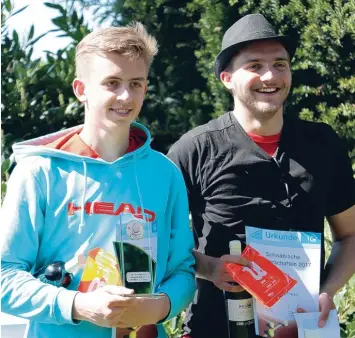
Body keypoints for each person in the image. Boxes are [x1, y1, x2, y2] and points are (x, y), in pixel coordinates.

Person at [1, 23, 196, 338]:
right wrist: (78, 305)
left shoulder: (165, 173)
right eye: (112, 82)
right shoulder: (39, 171)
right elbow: (4, 277)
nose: (125, 96)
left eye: (135, 83)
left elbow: (183, 272)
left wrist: (161, 306)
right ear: (81, 90)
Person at [168, 13, 355, 338]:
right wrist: (209, 268)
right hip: (214, 329)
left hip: (303, 327)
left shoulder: (322, 144)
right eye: (254, 65)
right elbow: (161, 239)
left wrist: (327, 291)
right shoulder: (195, 149)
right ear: (226, 78)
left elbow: (350, 236)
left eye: (280, 64)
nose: (271, 76)